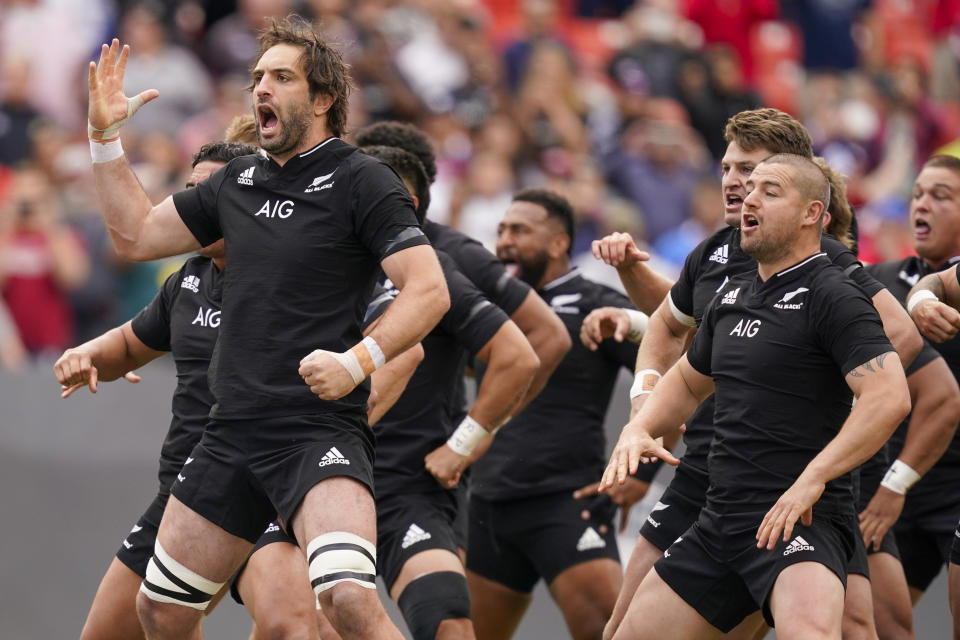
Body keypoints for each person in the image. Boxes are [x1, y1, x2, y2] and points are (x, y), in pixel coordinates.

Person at [81, 17, 449, 640]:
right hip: (230, 432)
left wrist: (358, 360)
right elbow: (136, 234)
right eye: (257, 78)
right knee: (160, 610)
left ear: (324, 99)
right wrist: (104, 139)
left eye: (281, 77)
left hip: (314, 431)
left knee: (349, 602)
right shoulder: (238, 181)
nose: (261, 89)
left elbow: (429, 290)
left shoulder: (362, 180)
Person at [591, 108, 922, 640]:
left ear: (812, 212)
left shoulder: (835, 291)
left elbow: (890, 396)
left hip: (798, 515)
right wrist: (637, 424)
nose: (742, 192)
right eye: (735, 176)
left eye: (766, 187)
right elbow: (685, 375)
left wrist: (814, 473)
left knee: (837, 628)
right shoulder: (730, 291)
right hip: (719, 509)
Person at [362, 144, 539, 640]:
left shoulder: (435, 269)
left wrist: (464, 445)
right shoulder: (308, 264)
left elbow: (521, 354)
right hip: (318, 479)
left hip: (410, 485)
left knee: (449, 623)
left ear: (411, 206)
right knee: (292, 624)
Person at [466, 188, 640, 640]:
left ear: (559, 243)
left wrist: (642, 471)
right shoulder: (488, 309)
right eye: (502, 230)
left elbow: (673, 379)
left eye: (520, 231)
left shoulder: (595, 306)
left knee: (609, 633)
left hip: (566, 504)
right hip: (488, 504)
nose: (504, 241)